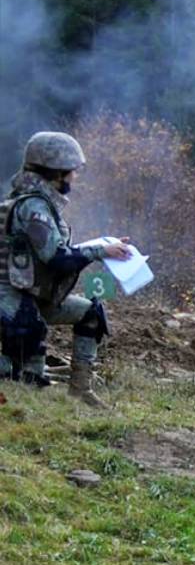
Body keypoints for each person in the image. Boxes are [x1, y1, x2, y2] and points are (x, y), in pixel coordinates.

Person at [0, 132, 133, 406]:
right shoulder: (34, 206)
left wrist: (100, 249)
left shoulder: (35, 202)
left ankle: (81, 390)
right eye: (72, 171)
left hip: (30, 295)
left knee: (91, 314)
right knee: (26, 379)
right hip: (12, 302)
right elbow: (56, 258)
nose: (74, 177)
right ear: (56, 172)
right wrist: (100, 251)